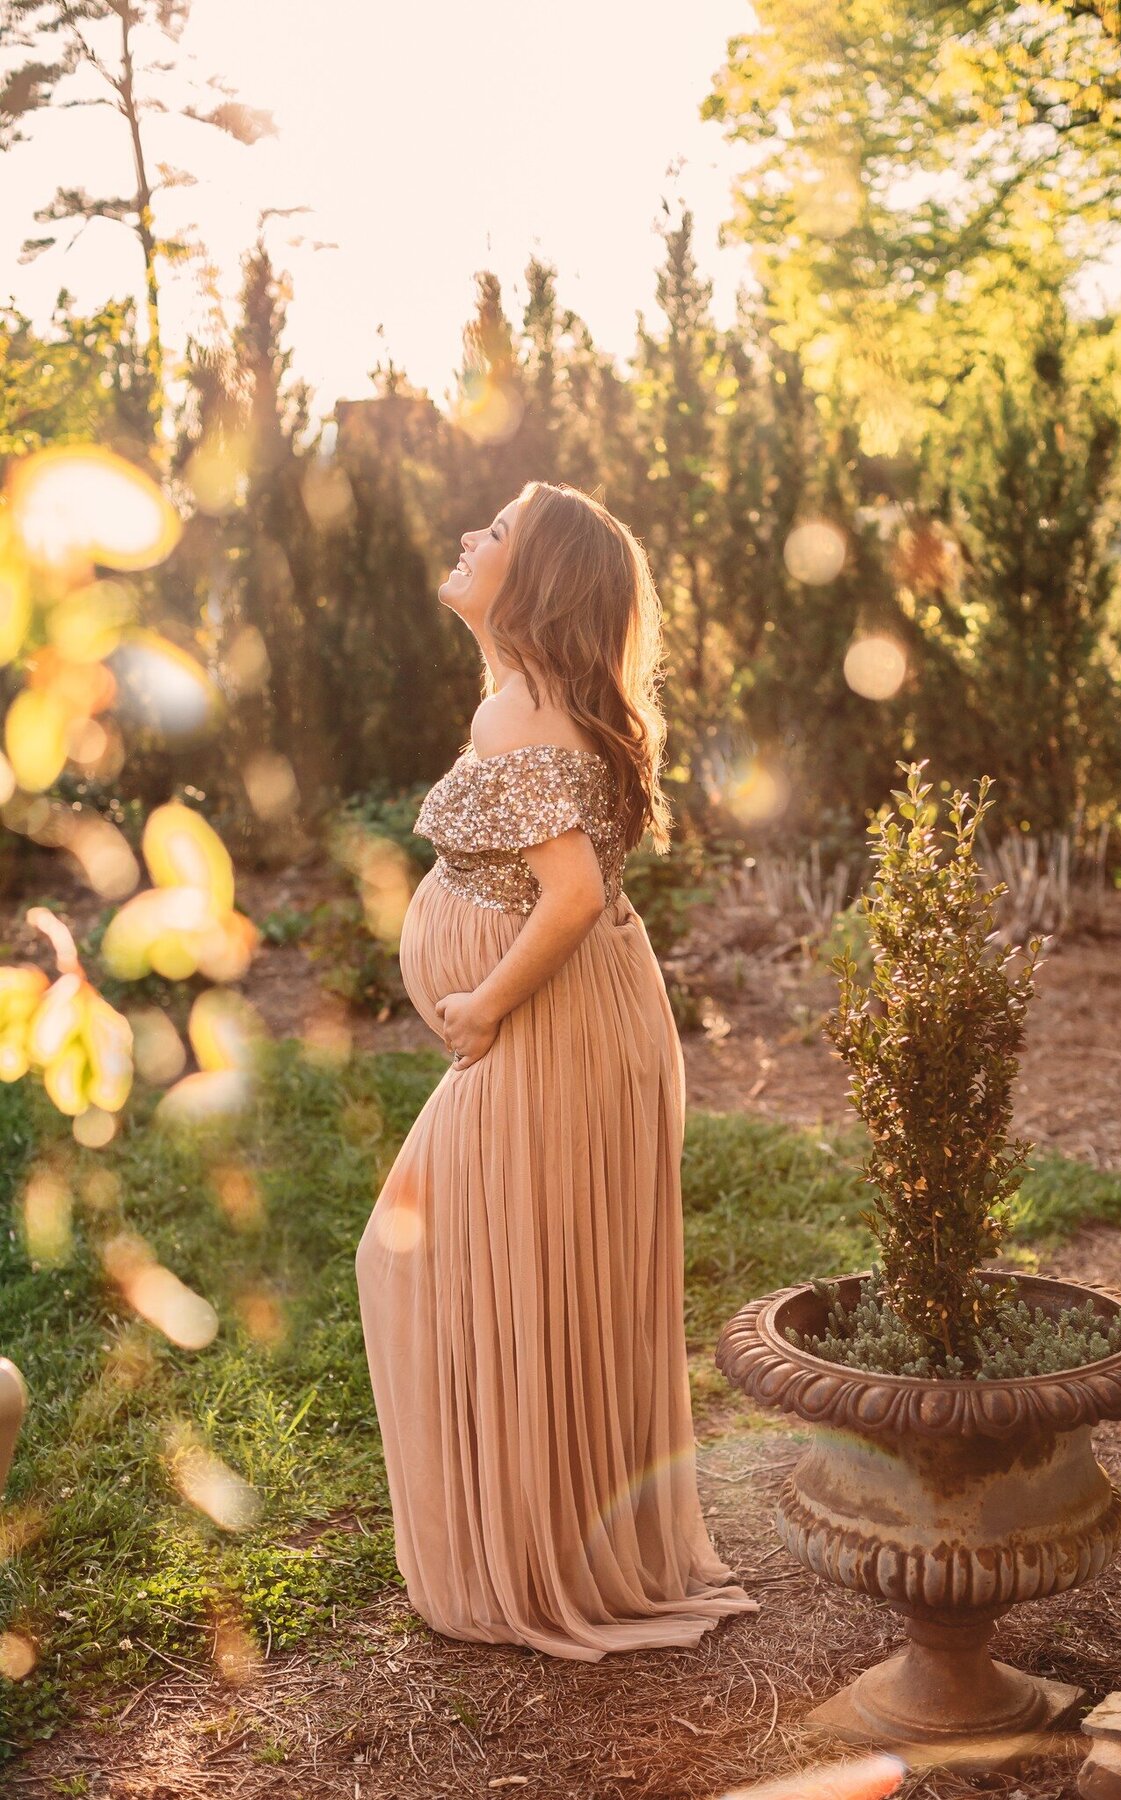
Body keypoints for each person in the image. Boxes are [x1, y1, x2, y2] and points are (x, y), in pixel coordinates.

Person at [355, 480, 760, 1660]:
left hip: (544, 1030)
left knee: (446, 1261)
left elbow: (573, 896)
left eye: (496, 534)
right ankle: (544, 1544)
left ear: (533, 585)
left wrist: (481, 998)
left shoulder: (518, 716)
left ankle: (525, 1562)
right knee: (528, 1269)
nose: (468, 535)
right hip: (580, 1024)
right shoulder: (527, 701)